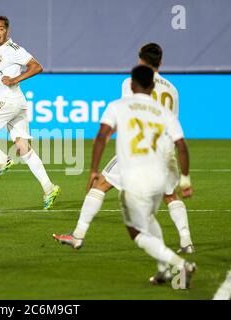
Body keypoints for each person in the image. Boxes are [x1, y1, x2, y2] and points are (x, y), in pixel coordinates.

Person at [55, 65, 196, 287]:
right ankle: (164, 271)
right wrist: (185, 178)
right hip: (160, 169)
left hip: (135, 170)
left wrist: (93, 169)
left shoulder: (120, 105)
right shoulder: (164, 111)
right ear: (152, 88)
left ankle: (180, 265)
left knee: (136, 232)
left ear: (131, 85)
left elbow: (102, 137)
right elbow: (181, 145)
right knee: (149, 219)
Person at [0, 15, 60, 210]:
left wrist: (16, 79)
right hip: (17, 103)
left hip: (9, 101)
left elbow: (37, 66)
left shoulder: (15, 49)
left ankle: (1, 158)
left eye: (1, 28)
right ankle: (50, 188)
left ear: (8, 31)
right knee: (23, 147)